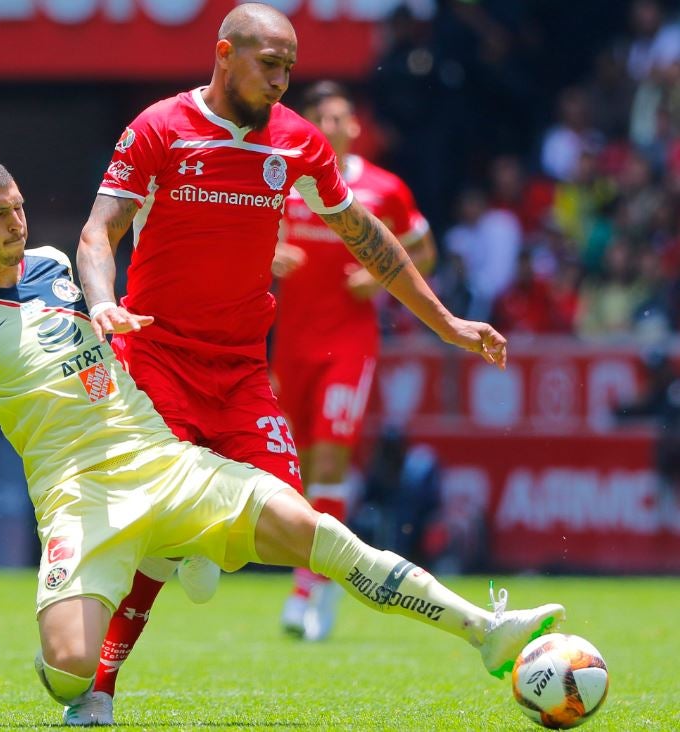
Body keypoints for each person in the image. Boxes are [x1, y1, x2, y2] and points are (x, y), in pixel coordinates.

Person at [0, 157, 564, 727]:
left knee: (328, 538)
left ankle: (487, 632)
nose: (16, 224)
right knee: (71, 669)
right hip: (79, 502)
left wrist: (235, 264)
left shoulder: (54, 266)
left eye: (17, 208)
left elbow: (147, 268)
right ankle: (153, 574)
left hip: (169, 463)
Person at [76, 3, 538, 722]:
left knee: (312, 532)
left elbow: (365, 234)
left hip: (240, 373)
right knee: (152, 548)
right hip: (157, 363)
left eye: (291, 67)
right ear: (224, 53)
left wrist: (444, 319)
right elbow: (98, 233)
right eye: (270, 64)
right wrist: (102, 300)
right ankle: (98, 689)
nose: (283, 82)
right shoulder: (159, 127)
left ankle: (483, 633)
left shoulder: (296, 143)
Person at [270, 80, 436, 641]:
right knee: (291, 467)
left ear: (355, 126)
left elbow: (423, 247)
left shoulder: (383, 188)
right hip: (290, 343)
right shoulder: (288, 180)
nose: (334, 126)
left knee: (330, 463)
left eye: (341, 117)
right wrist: (270, 253)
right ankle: (323, 579)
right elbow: (251, 236)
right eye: (323, 118)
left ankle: (308, 589)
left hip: (349, 343)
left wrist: (380, 275)